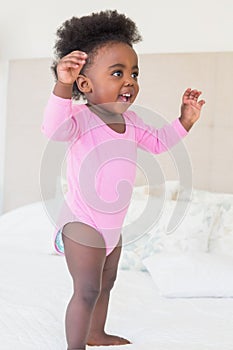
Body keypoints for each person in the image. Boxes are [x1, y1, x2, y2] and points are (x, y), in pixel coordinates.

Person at [41, 9, 205, 350]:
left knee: (107, 282)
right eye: (117, 72)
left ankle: (95, 333)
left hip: (112, 225)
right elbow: (52, 129)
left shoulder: (134, 123)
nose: (129, 81)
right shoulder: (79, 118)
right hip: (82, 222)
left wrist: (184, 120)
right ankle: (76, 346)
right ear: (85, 84)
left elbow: (160, 143)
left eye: (134, 73)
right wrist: (62, 84)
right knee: (86, 290)